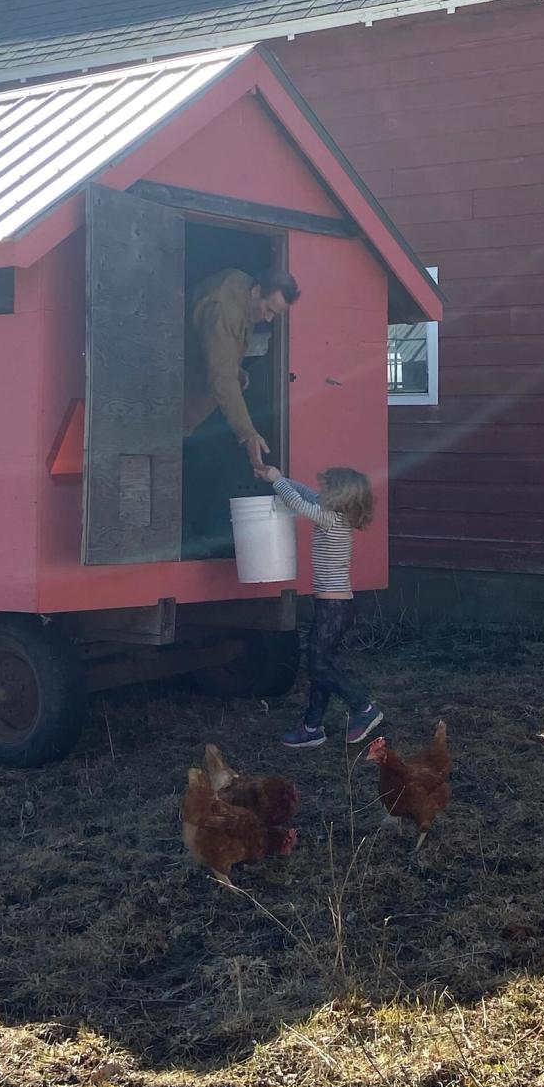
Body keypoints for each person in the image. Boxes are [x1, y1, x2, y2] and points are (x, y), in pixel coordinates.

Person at [256, 464, 384, 749]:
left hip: (334, 608)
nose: (321, 492)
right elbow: (305, 493)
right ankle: (312, 726)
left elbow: (297, 502)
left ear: (339, 496)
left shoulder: (331, 520)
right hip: (333, 606)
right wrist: (277, 477)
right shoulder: (333, 514)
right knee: (321, 665)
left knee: (319, 665)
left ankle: (363, 707)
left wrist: (278, 481)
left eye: (327, 488)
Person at [183, 268, 300, 470]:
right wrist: (248, 434)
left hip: (194, 403)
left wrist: (236, 370)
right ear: (256, 291)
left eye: (276, 314)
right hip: (173, 403)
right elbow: (221, 377)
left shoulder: (243, 290)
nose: (269, 319)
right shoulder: (221, 308)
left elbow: (217, 350)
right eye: (269, 309)